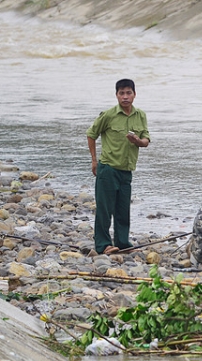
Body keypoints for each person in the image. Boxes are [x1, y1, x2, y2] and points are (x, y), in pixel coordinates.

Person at [86, 78, 150, 255]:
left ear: (134, 95)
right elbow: (91, 134)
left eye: (128, 93)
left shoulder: (140, 115)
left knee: (123, 209)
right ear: (116, 96)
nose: (125, 97)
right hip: (108, 168)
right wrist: (94, 160)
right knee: (104, 209)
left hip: (126, 170)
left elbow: (146, 140)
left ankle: (122, 242)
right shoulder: (108, 115)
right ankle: (103, 245)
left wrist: (137, 141)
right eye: (121, 93)